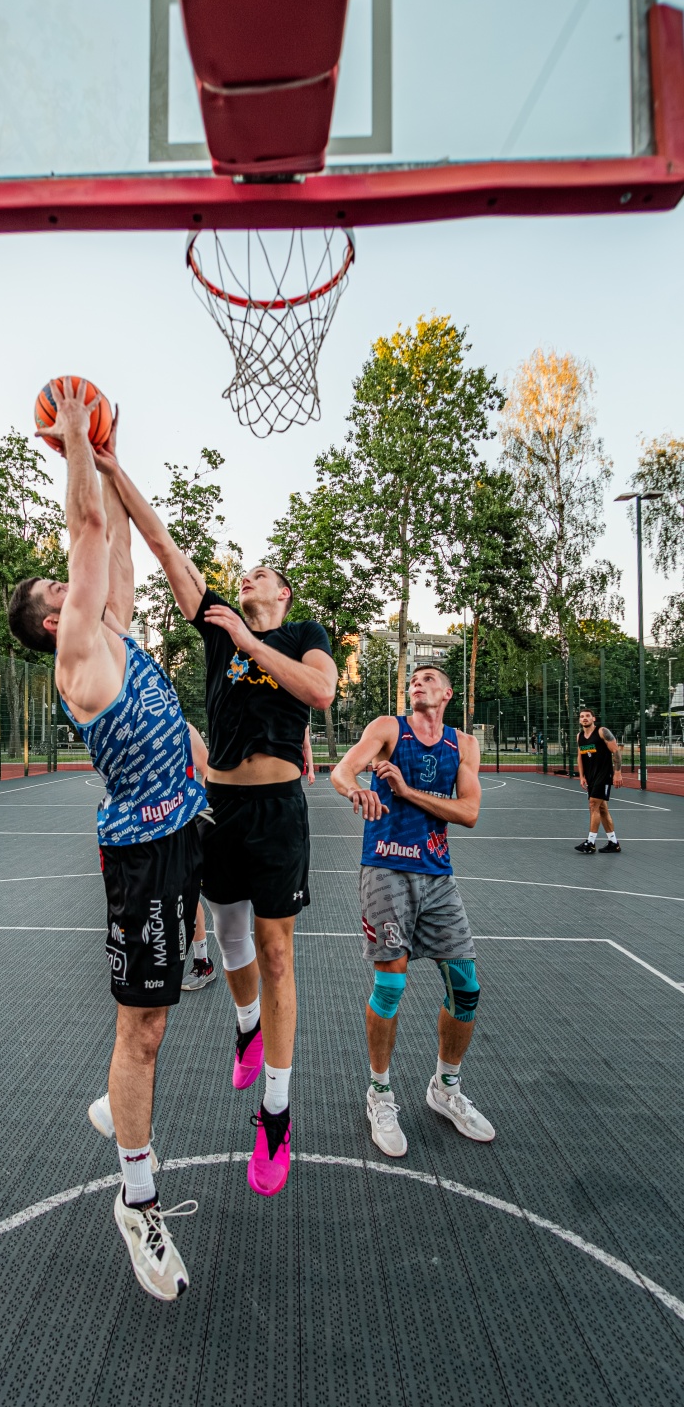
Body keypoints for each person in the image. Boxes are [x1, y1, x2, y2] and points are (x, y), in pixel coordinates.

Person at [8, 381, 204, 1302]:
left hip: (185, 824)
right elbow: (88, 526)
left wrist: (113, 461)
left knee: (181, 993)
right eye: (59, 587)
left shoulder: (113, 624)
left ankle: (120, 1093)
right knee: (145, 1030)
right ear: (54, 621)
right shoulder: (78, 654)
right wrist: (78, 442)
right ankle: (137, 1201)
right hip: (142, 853)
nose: (70, 577)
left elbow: (114, 540)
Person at [105, 467, 337, 1198]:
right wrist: (111, 469)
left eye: (261, 573)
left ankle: (276, 1114)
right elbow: (163, 546)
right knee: (230, 937)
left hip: (278, 812)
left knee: (276, 952)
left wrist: (250, 641)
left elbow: (320, 690)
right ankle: (246, 1026)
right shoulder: (216, 629)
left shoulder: (303, 635)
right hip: (220, 807)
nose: (248, 577)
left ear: (283, 593)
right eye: (243, 575)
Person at [330, 664, 495, 1159]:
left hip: (437, 876)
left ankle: (446, 1087)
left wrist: (405, 792)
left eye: (428, 679)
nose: (417, 683)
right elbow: (342, 769)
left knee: (466, 987)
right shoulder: (388, 728)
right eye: (413, 679)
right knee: (391, 985)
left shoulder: (464, 745)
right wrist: (355, 789)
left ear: (447, 693)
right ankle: (380, 1094)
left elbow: (469, 812)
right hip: (385, 868)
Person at [182, 721, 215, 991]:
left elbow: (207, 770)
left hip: (181, 824)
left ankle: (202, 962)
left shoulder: (184, 729)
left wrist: (203, 814)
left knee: (187, 894)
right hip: (145, 829)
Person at [574, 706, 623, 853]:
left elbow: (616, 751)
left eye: (587, 716)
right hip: (591, 776)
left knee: (593, 804)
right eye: (582, 716)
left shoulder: (602, 731)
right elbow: (580, 756)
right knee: (602, 808)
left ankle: (590, 843)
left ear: (593, 718)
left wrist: (617, 773)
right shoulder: (579, 736)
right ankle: (613, 843)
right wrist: (582, 776)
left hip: (604, 775)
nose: (584, 718)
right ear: (579, 720)